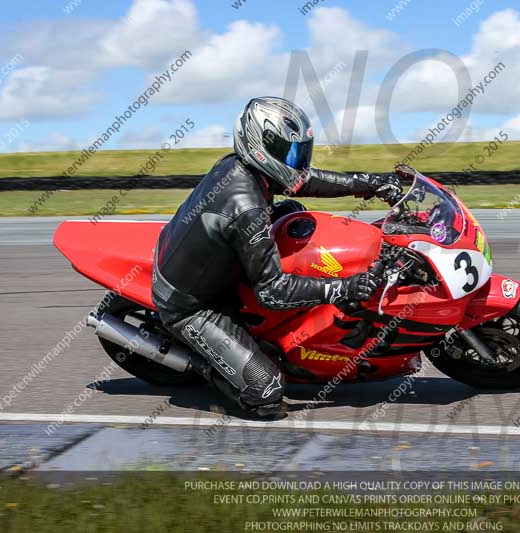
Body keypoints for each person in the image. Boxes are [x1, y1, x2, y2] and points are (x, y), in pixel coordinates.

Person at [151, 97, 402, 420]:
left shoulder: (241, 166)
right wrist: (343, 289)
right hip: (193, 305)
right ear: (260, 147)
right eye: (290, 153)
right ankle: (203, 366)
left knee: (296, 219)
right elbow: (272, 292)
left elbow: (304, 181)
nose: (297, 161)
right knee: (266, 394)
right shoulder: (246, 205)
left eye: (300, 151)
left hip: (213, 265)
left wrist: (369, 183)